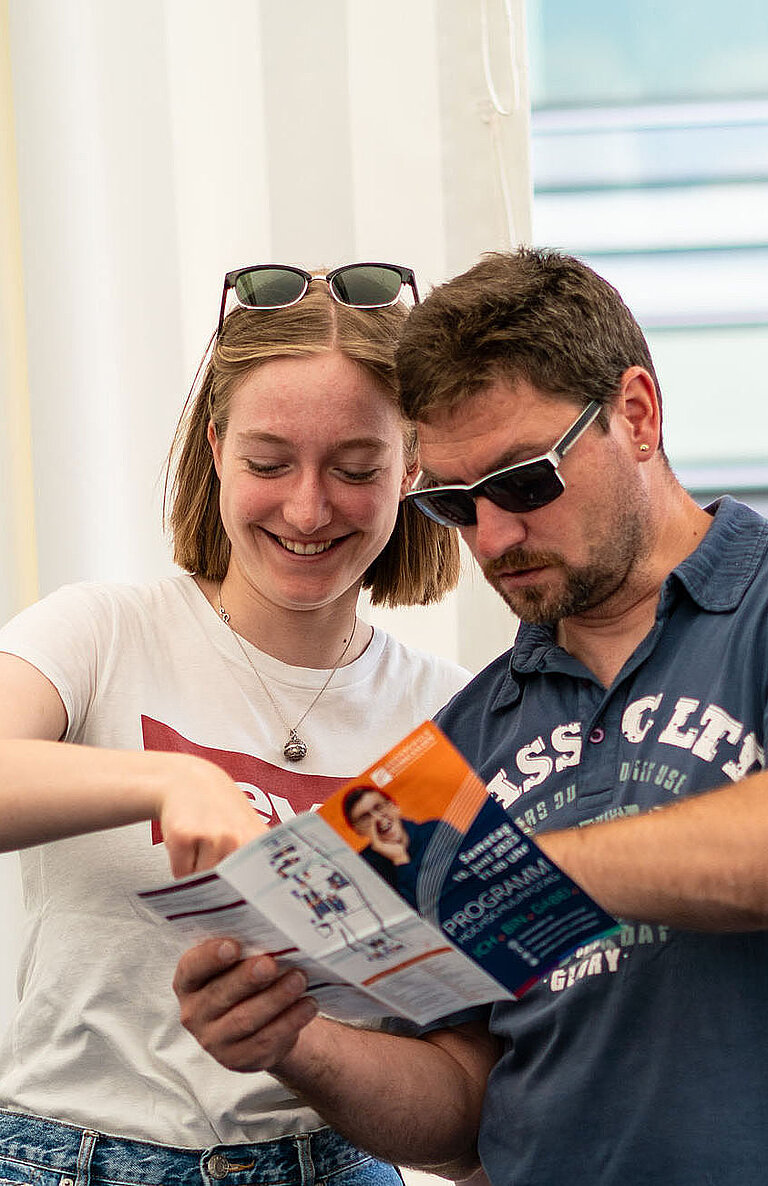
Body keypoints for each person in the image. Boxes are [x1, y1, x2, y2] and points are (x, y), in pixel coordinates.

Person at [172, 247, 768, 1186]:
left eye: (526, 481)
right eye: (454, 502)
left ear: (638, 416)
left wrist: (516, 873)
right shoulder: (458, 742)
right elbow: (459, 1114)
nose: (494, 537)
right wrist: (296, 1042)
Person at [0, 262, 470, 1186]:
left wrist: (301, 1042)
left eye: (357, 469)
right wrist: (172, 778)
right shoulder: (103, 629)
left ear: (413, 466)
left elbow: (461, 1092)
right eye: (267, 463)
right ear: (214, 449)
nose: (306, 508)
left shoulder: (450, 717)